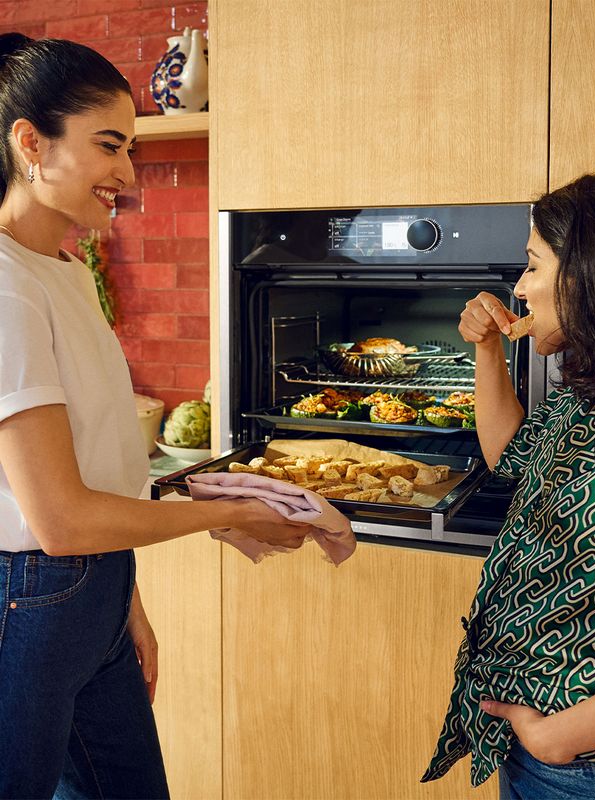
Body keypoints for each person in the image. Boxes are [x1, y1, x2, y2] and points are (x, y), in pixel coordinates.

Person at [0, 33, 352, 799]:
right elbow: (58, 519)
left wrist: (122, 601)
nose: (127, 173)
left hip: (85, 598)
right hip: (25, 603)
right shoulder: (4, 285)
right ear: (31, 142)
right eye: (108, 145)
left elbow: (95, 477)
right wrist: (232, 514)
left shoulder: (62, 270)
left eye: (129, 145)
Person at [421, 173, 595, 799]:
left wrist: (565, 734)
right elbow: (514, 460)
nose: (519, 287)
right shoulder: (586, 393)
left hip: (578, 758)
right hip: (545, 739)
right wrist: (488, 348)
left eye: (532, 266)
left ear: (584, 275)